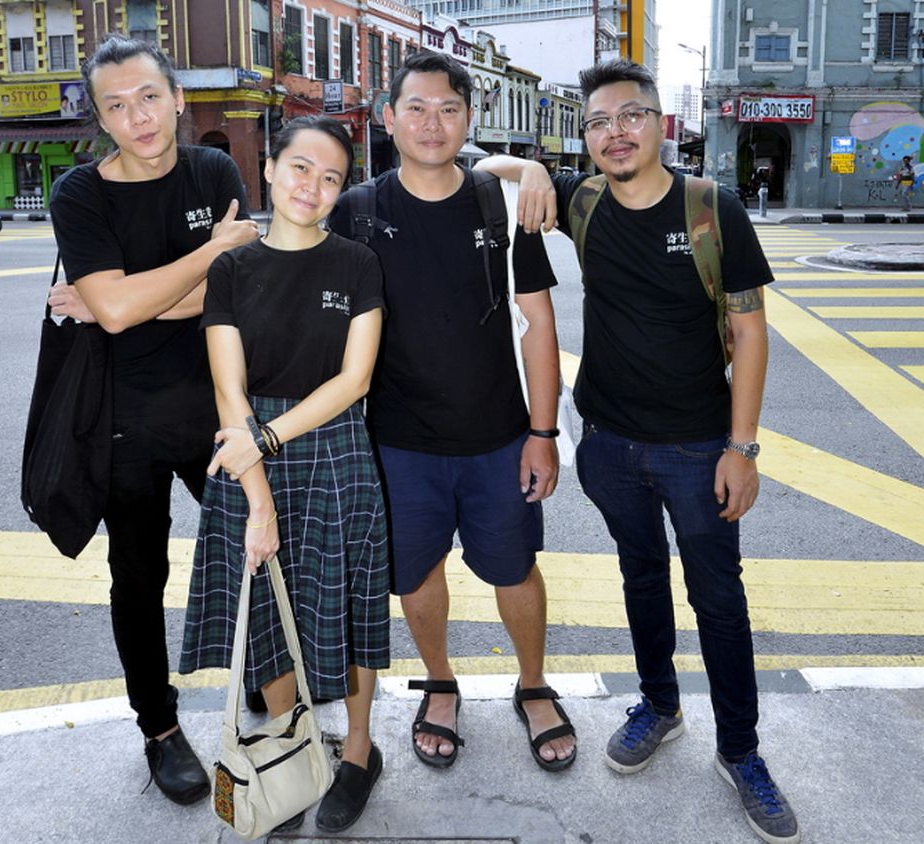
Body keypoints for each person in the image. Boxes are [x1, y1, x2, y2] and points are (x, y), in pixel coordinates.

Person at [477, 58, 798, 844]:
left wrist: (742, 447)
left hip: (698, 448)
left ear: (660, 123)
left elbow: (752, 333)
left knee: (719, 599)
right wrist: (531, 170)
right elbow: (479, 163)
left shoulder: (710, 208)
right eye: (598, 122)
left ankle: (741, 750)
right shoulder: (582, 201)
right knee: (640, 577)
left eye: (630, 117)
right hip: (610, 444)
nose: (615, 133)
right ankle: (659, 704)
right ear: (585, 137)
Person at [328, 50, 577, 773]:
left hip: (500, 439)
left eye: (448, 109)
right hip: (398, 445)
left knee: (514, 570)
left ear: (469, 118)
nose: (432, 123)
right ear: (389, 117)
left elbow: (540, 327)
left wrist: (542, 432)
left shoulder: (499, 205)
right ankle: (440, 681)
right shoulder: (358, 213)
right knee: (414, 576)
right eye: (416, 108)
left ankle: (533, 684)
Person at [46, 35, 260, 805]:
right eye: (116, 105)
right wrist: (211, 254)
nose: (136, 116)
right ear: (100, 119)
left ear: (176, 96)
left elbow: (239, 289)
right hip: (122, 422)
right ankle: (160, 729)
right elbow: (119, 307)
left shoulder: (212, 168)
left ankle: (270, 680)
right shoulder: (80, 194)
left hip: (217, 407)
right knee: (138, 578)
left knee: (257, 551)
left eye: (147, 96)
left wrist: (126, 301)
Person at [178, 116, 389, 834]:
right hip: (248, 457)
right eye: (301, 168)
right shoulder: (230, 269)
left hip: (332, 449)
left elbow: (355, 379)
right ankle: (288, 748)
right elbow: (226, 387)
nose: (313, 187)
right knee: (265, 611)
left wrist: (265, 439)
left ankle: (358, 751)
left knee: (352, 609)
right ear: (268, 168)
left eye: (331, 177)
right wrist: (258, 493)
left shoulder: (356, 263)